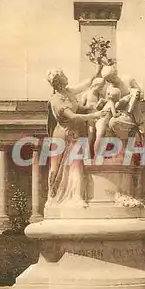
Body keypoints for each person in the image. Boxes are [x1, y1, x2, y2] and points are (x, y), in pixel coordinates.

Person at [46, 68, 105, 206]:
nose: (67, 76)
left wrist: (98, 67)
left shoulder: (68, 92)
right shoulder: (56, 100)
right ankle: (53, 196)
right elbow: (72, 116)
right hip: (62, 135)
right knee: (56, 168)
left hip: (75, 132)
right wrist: (94, 115)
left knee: (77, 164)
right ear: (59, 82)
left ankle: (77, 196)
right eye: (64, 75)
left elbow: (87, 84)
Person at [101, 64, 145, 139]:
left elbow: (141, 94)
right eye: (108, 80)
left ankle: (141, 126)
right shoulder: (110, 88)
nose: (110, 81)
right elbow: (110, 103)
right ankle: (124, 142)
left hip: (134, 111)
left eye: (111, 78)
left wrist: (137, 95)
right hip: (121, 113)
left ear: (115, 73)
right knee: (113, 122)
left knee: (133, 93)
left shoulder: (128, 79)